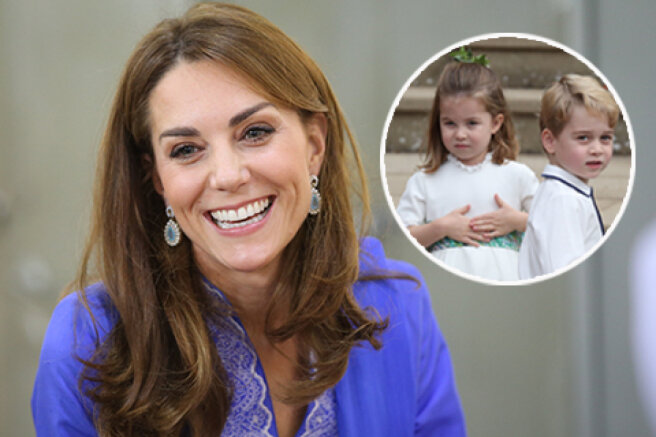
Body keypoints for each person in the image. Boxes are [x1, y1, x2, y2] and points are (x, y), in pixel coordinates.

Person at [31, 3, 466, 436]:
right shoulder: (84, 346)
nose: (227, 176)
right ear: (157, 180)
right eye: (186, 150)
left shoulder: (399, 304)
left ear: (314, 144)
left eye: (254, 132)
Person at [396, 50, 539, 282]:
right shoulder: (424, 181)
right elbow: (402, 240)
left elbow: (552, 224)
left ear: (495, 123)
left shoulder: (517, 175)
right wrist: (440, 227)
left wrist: (517, 221)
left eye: (472, 123)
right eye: (450, 123)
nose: (460, 134)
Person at [518, 74, 620, 279]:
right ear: (550, 141)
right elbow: (566, 275)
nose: (597, 149)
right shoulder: (563, 200)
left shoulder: (565, 192)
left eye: (605, 138)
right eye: (583, 138)